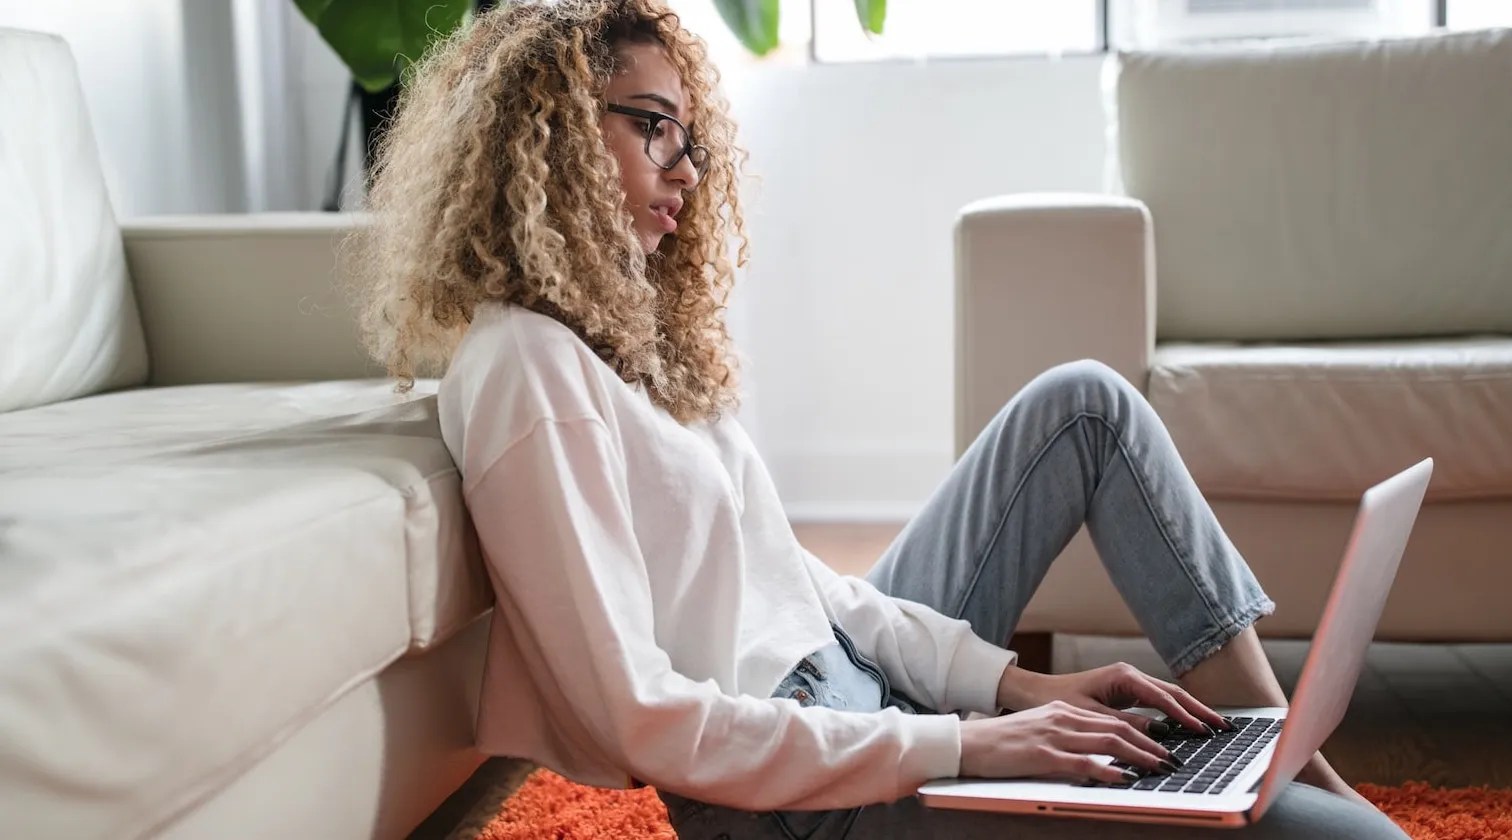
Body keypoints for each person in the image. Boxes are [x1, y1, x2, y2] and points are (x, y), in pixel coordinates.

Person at [346, 2, 1409, 837]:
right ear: (555, 136)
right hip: (810, 805)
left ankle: (1279, 757)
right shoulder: (527, 369)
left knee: (1083, 404)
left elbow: (809, 589)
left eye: (691, 135)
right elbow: (641, 717)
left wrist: (1013, 685)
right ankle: (1283, 784)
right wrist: (965, 745)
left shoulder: (625, 348)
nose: (687, 165)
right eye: (654, 126)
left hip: (862, 703)